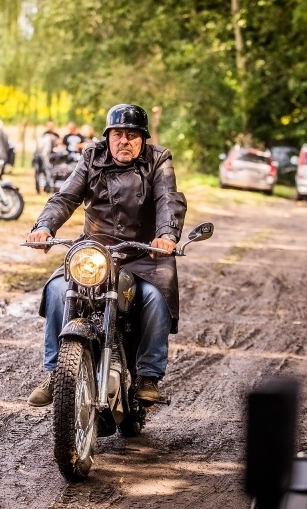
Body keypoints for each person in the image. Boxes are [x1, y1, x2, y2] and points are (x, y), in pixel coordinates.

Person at [25, 104, 187, 407]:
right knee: (59, 288)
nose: (124, 141)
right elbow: (66, 196)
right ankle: (54, 372)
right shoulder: (92, 156)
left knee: (154, 296)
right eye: (117, 134)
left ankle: (147, 375)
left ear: (142, 139)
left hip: (144, 253)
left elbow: (169, 199)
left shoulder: (159, 160)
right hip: (95, 250)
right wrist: (44, 226)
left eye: (131, 135)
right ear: (108, 136)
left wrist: (166, 235)